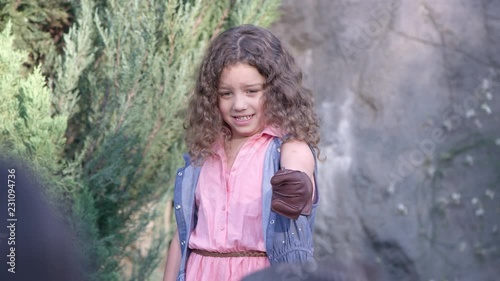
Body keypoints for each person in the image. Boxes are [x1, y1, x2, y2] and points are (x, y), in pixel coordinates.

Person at [162, 24, 321, 281]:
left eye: (251, 91)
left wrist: (297, 184)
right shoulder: (202, 155)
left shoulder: (288, 149)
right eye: (226, 93)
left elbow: (298, 184)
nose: (239, 104)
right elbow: (181, 237)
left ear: (277, 90)